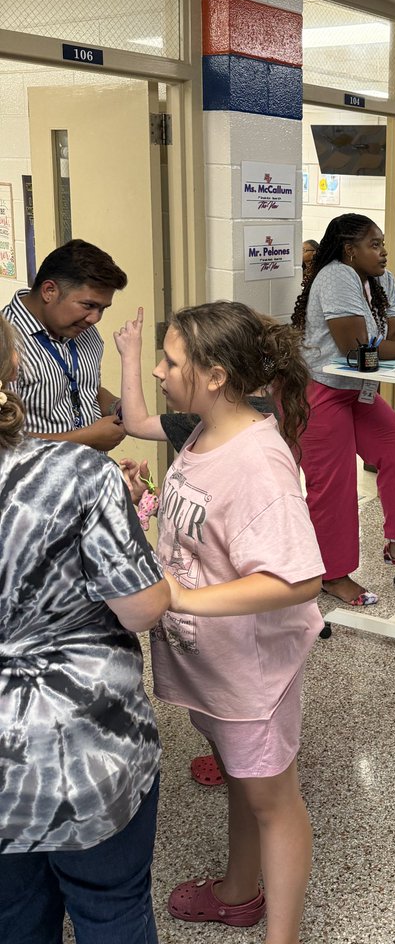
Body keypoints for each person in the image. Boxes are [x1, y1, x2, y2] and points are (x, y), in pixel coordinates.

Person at [140, 301, 324, 941]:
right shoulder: (202, 430)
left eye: (171, 361)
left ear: (214, 375)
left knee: (273, 802)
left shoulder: (258, 461)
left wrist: (180, 599)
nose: (160, 370)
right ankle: (238, 893)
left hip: (251, 675)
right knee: (246, 786)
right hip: (212, 666)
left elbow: (298, 577)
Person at [0, 314, 170, 944]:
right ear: (13, 365)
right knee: (112, 907)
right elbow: (141, 608)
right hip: (82, 746)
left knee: (13, 917)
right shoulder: (77, 474)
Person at [291, 213, 395, 605]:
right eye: (374, 245)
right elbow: (358, 351)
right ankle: (332, 575)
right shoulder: (335, 275)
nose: (383, 252)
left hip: (356, 390)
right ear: (350, 250)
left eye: (382, 243)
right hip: (319, 389)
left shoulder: (379, 278)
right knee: (334, 483)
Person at [2, 238, 128, 451]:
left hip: (91, 475)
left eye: (102, 309)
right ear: (49, 291)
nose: (95, 318)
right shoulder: (4, 343)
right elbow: (5, 439)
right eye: (88, 305)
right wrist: (86, 438)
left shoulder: (86, 332)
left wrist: (118, 406)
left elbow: (89, 390)